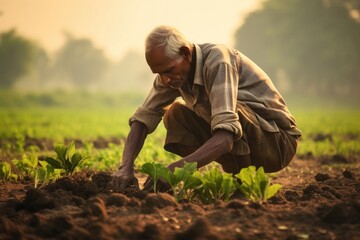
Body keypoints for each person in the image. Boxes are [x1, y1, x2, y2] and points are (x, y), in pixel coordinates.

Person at [112, 25, 301, 192]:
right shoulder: (172, 75)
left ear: (186, 53)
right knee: (175, 114)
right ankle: (238, 175)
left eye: (168, 70)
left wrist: (176, 170)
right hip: (250, 136)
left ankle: (244, 184)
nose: (165, 79)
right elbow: (143, 117)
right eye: (159, 73)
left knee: (228, 113)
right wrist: (125, 166)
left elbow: (226, 137)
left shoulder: (218, 61)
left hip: (278, 143)